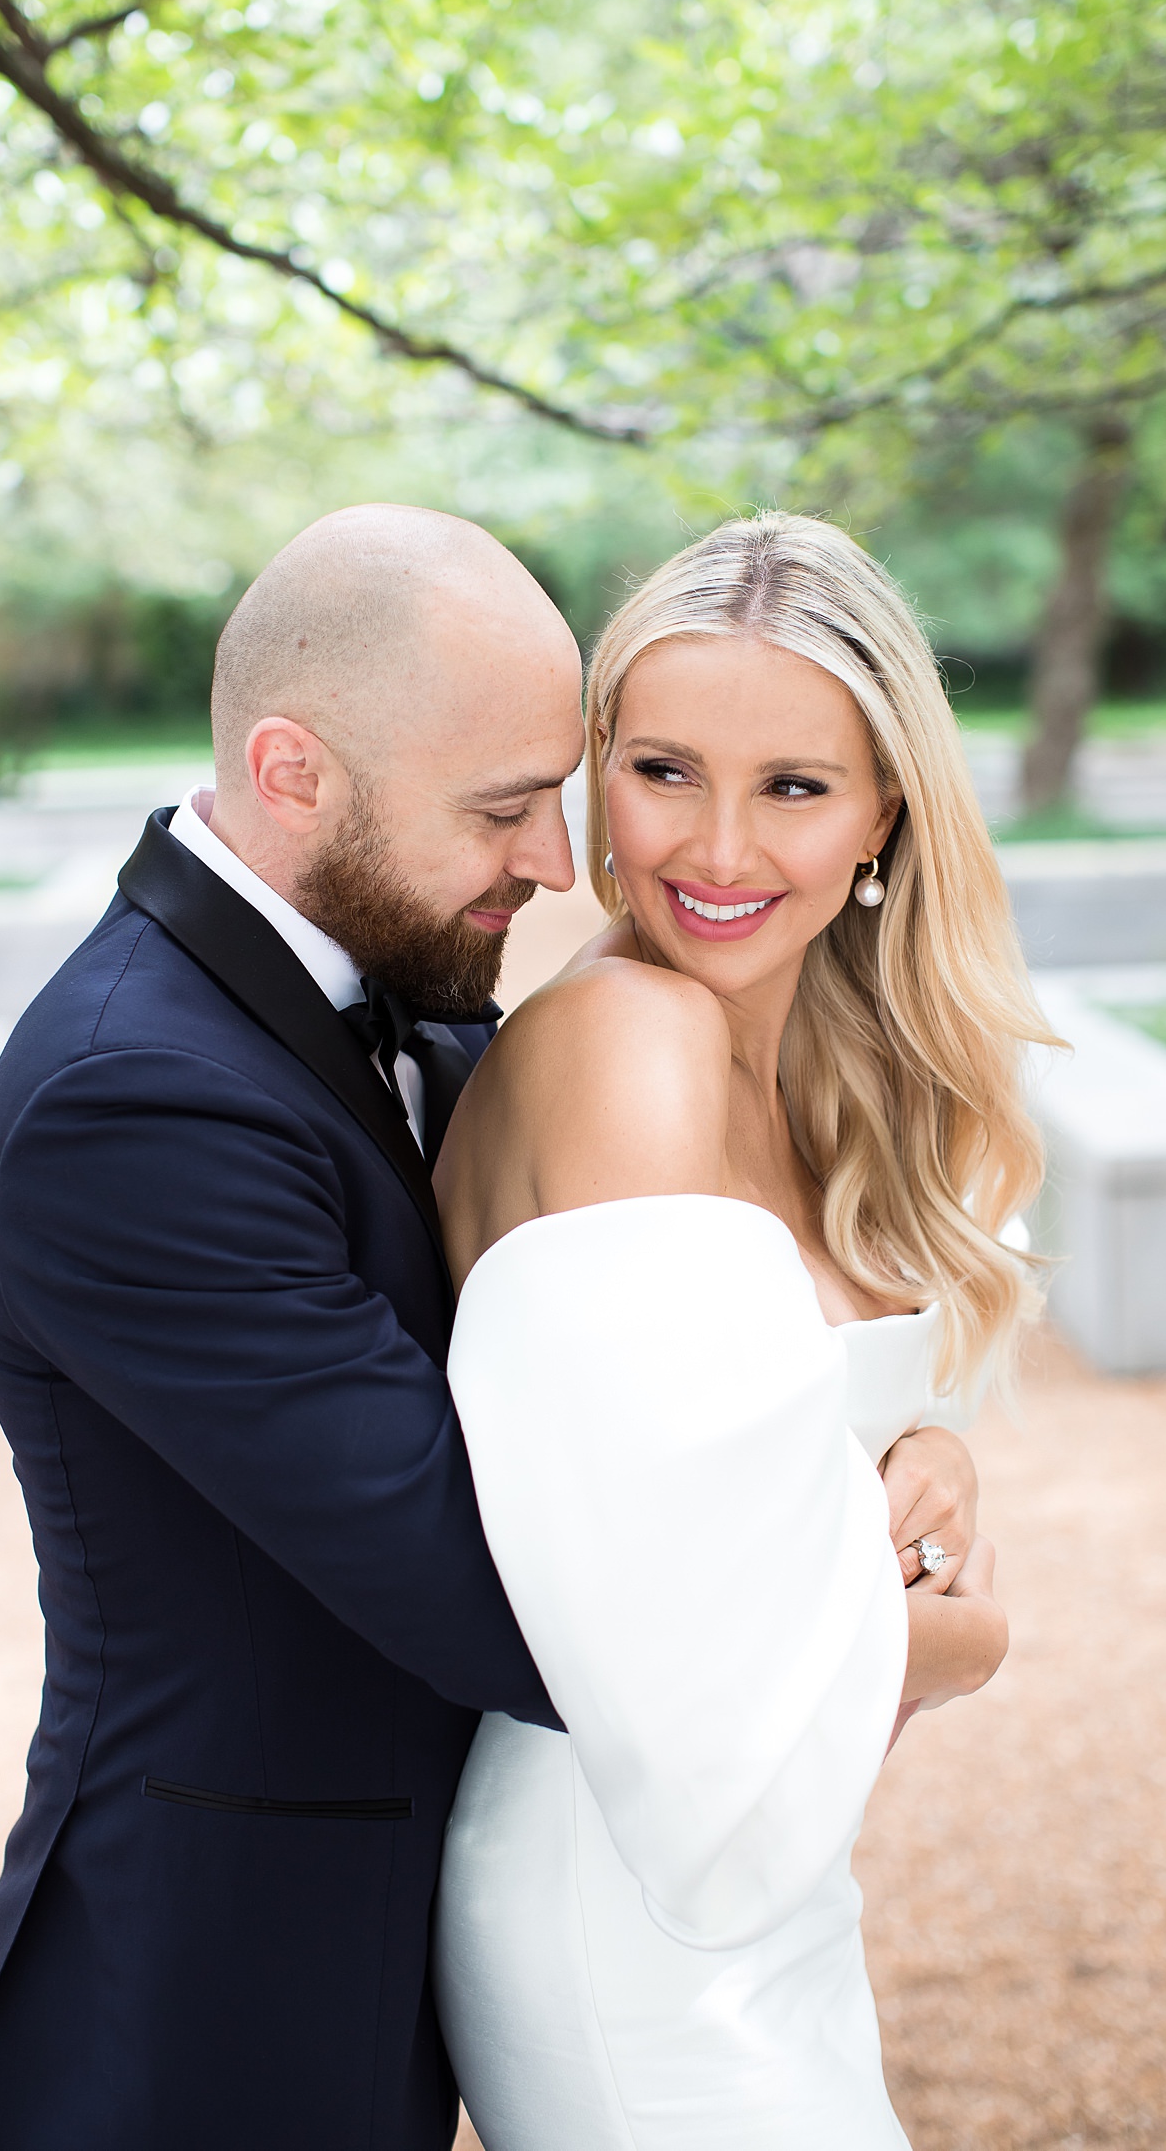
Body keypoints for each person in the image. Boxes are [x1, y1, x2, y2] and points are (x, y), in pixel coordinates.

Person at [0, 506, 587, 2151]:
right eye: (506, 808)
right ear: (294, 772)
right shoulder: (131, 1103)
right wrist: (871, 1621)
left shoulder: (386, 978)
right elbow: (484, 1583)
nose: (558, 862)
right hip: (201, 2021)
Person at [433, 511, 1055, 2149]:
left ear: (882, 819)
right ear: (594, 779)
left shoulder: (815, 1070)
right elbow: (674, 1646)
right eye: (661, 769)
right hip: (629, 1893)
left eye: (792, 785)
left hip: (767, 1892)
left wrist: (922, 1464)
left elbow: (747, 1456)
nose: (713, 847)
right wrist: (957, 1639)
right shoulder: (627, 1044)